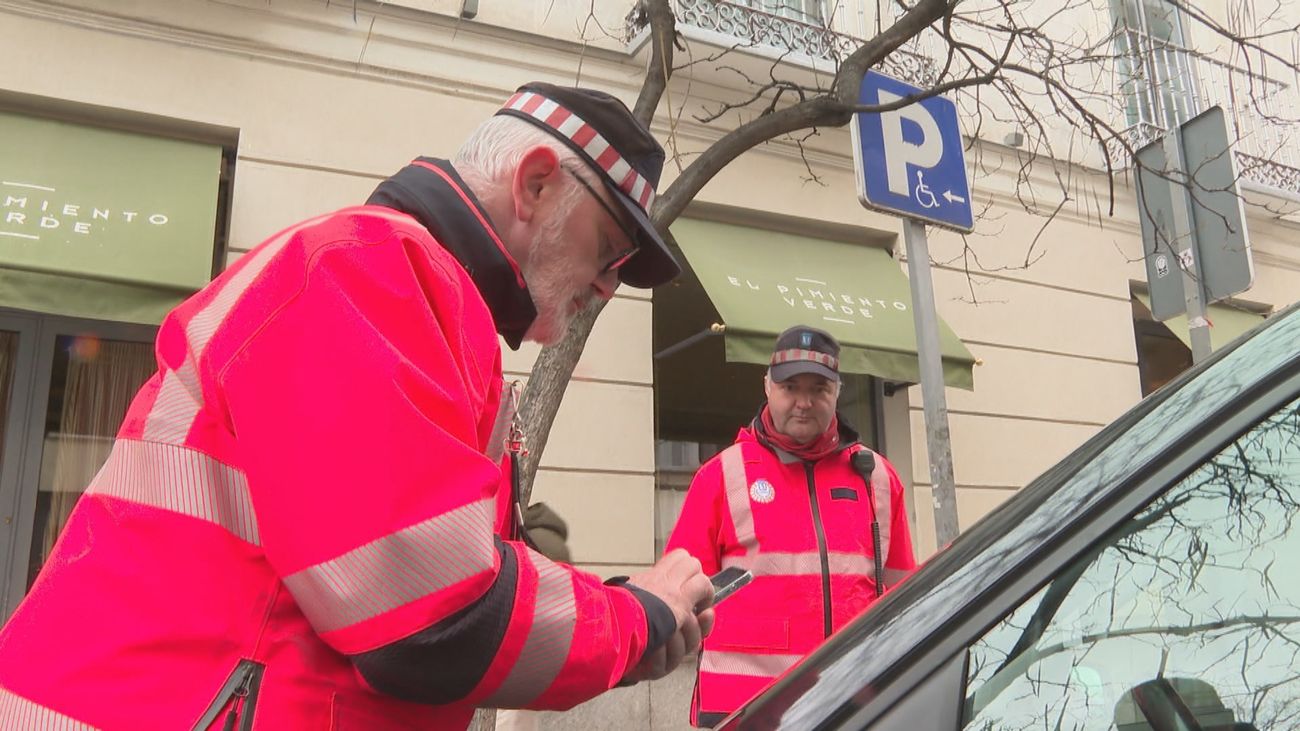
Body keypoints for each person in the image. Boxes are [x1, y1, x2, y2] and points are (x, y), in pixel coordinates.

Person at [0, 82, 715, 730]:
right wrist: (637, 617)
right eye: (610, 251)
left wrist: (621, 608)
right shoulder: (367, 270)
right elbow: (433, 618)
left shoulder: (403, 290)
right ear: (533, 184)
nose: (606, 288)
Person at [665, 325, 917, 727]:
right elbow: (676, 595)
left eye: (818, 388)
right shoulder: (721, 477)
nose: (803, 402)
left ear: (838, 391)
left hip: (852, 705)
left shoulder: (878, 480)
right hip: (745, 714)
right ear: (767, 386)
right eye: (790, 387)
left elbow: (905, 597)